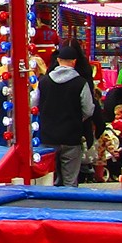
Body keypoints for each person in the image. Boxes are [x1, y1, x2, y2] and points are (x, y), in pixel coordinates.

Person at [38, 42, 96, 188]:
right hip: (71, 136)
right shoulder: (81, 83)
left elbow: (33, 103)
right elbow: (89, 110)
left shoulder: (44, 82)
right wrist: (77, 118)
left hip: (48, 136)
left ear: (58, 60)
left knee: (48, 179)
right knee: (70, 180)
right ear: (74, 62)